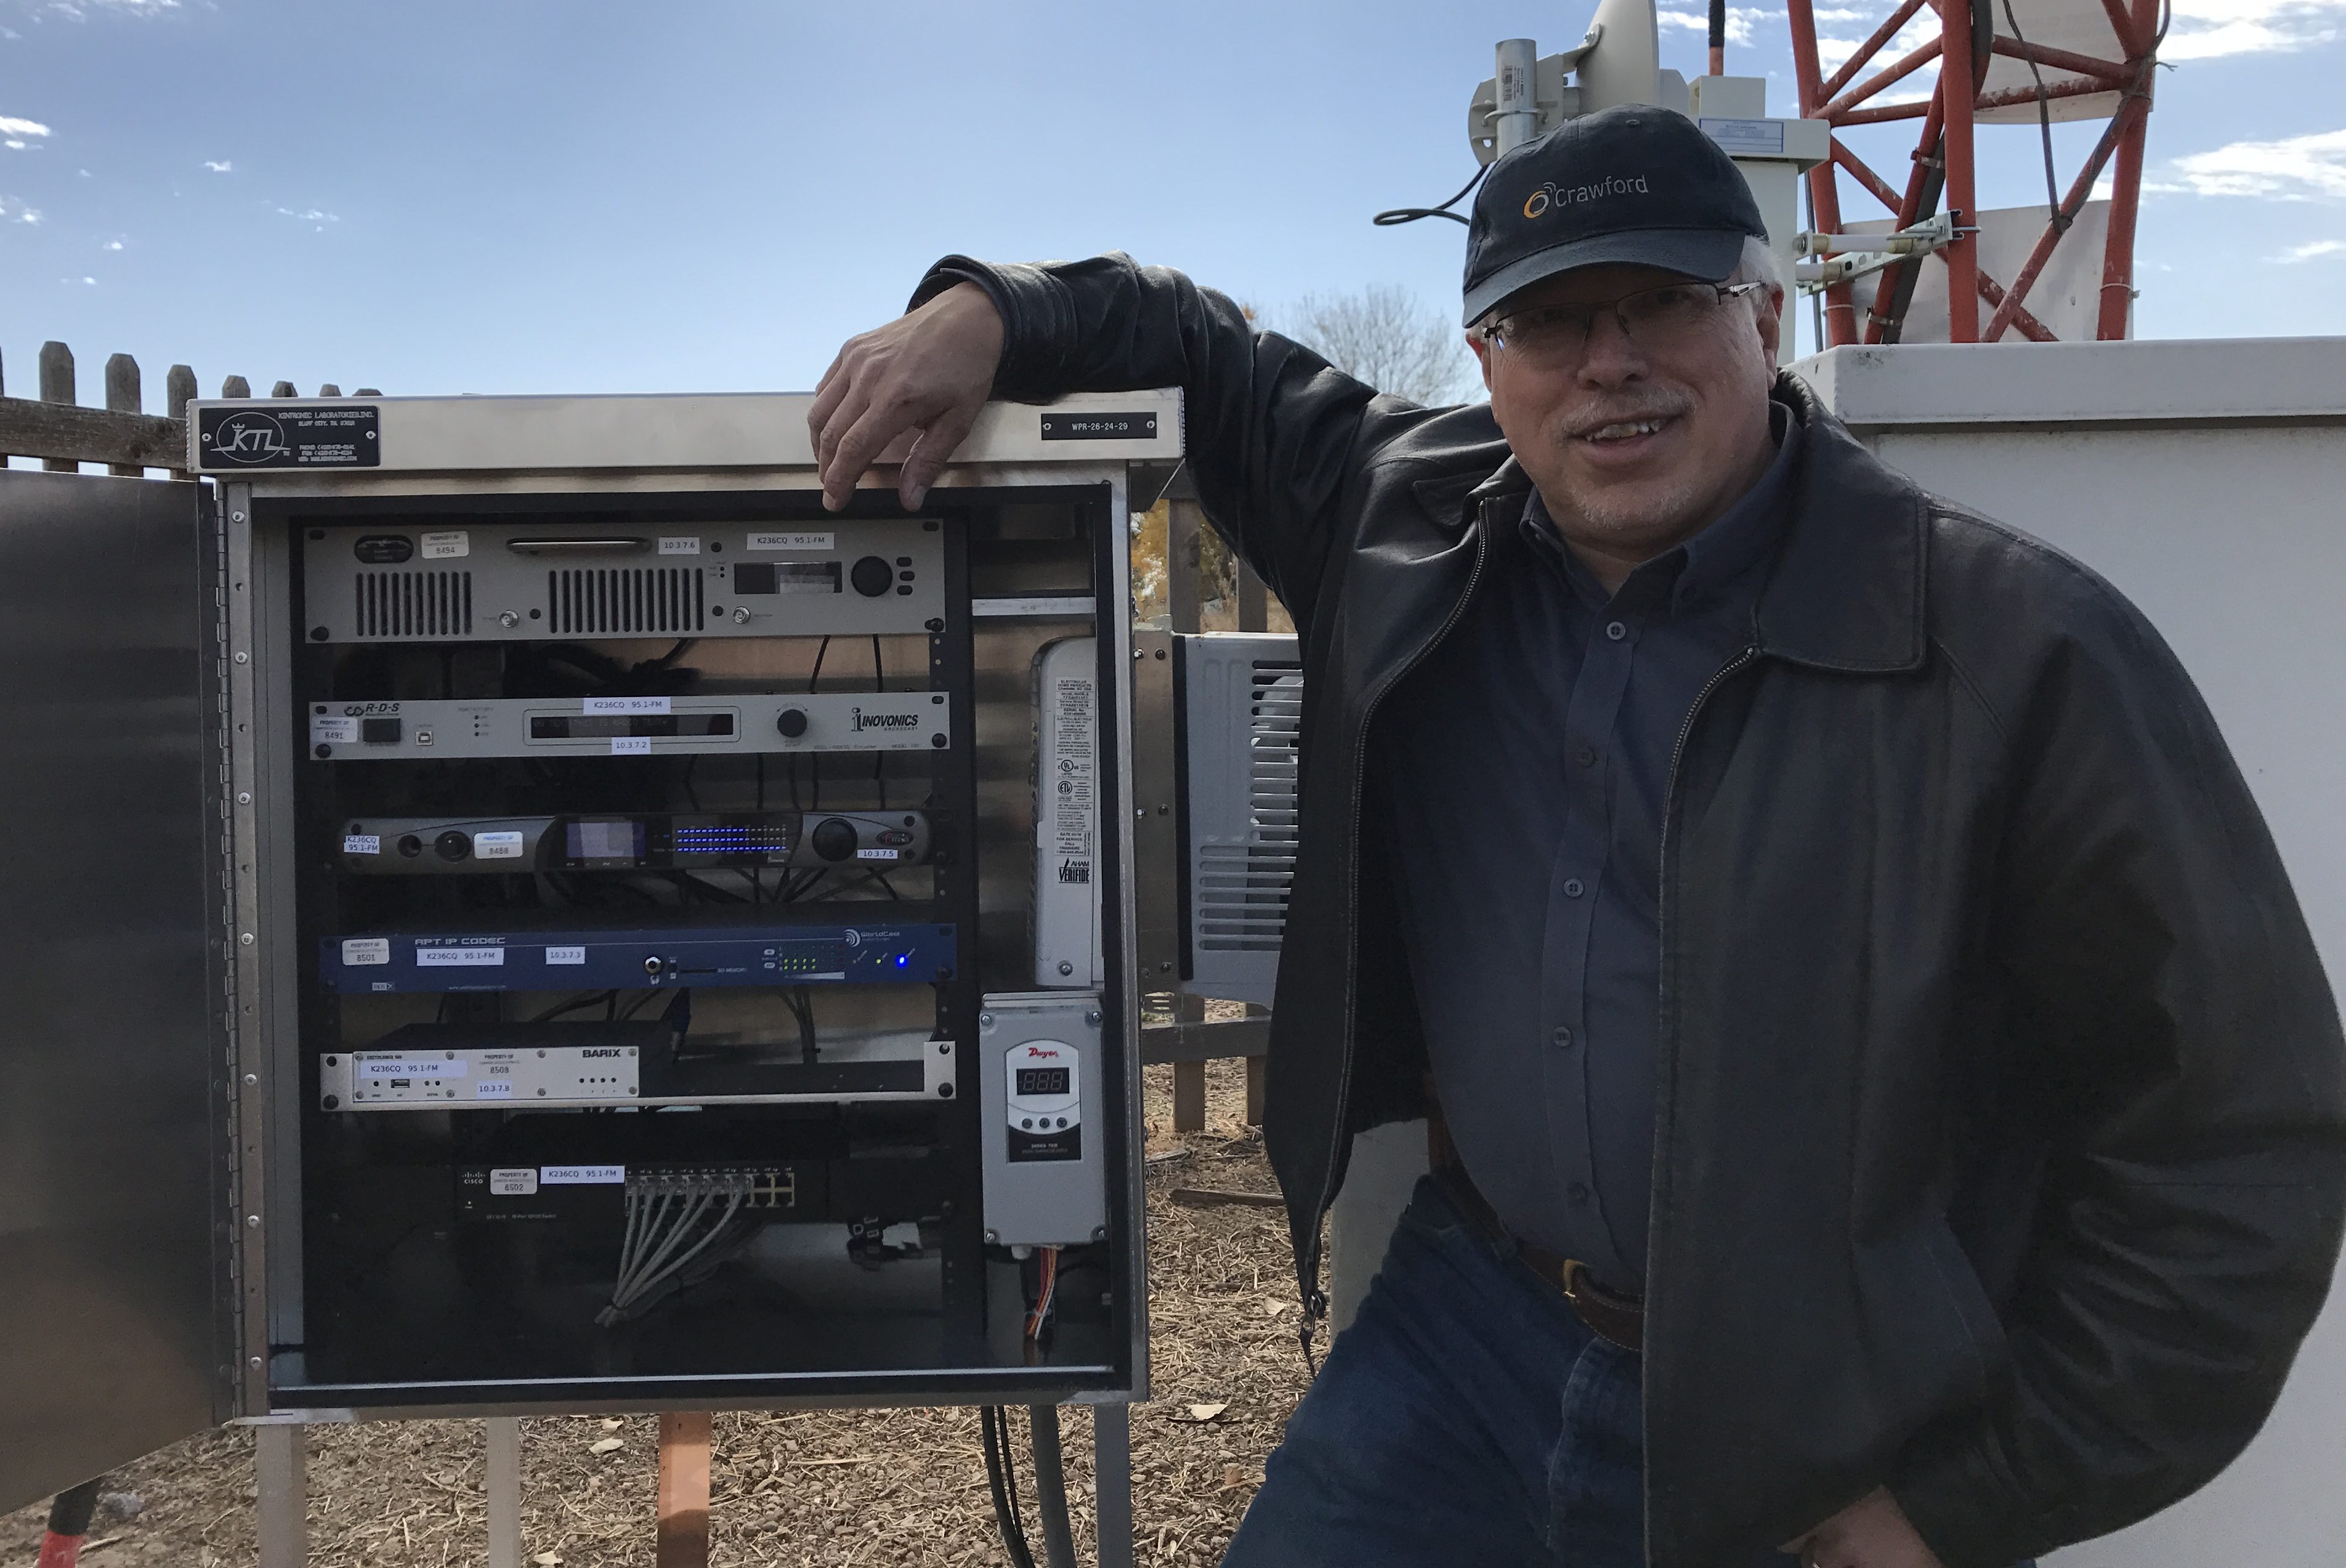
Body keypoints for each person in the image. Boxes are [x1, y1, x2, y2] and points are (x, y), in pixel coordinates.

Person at [807, 106, 2346, 1567]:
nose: (1609, 366)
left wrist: (1977, 1496)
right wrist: (980, 309)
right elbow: (1194, 344)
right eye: (1550, 321)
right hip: (1466, 1327)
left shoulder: (2016, 651)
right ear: (1487, 358)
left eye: (1663, 303)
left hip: (1810, 1407)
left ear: (1764, 317)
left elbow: (2236, 1143)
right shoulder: (1398, 520)